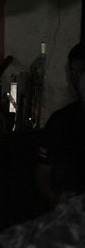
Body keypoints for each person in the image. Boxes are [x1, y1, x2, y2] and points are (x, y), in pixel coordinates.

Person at [35, 42, 85, 206]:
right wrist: (55, 198)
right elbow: (43, 171)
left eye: (82, 72)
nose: (78, 79)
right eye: (74, 72)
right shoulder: (61, 120)